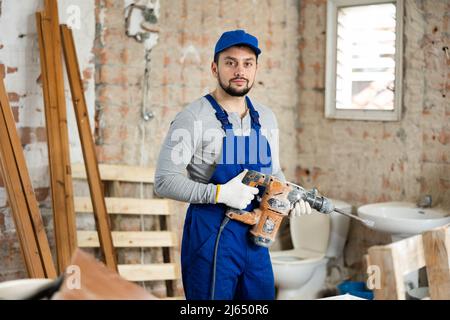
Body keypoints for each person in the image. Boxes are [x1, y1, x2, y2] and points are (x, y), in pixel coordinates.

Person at [155, 29, 311, 300]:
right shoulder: (193, 117)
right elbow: (164, 181)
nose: (240, 70)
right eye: (230, 62)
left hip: (255, 238)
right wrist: (219, 193)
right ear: (215, 68)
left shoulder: (266, 117)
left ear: (256, 69)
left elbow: (273, 173)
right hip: (210, 237)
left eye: (247, 63)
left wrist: (286, 197)